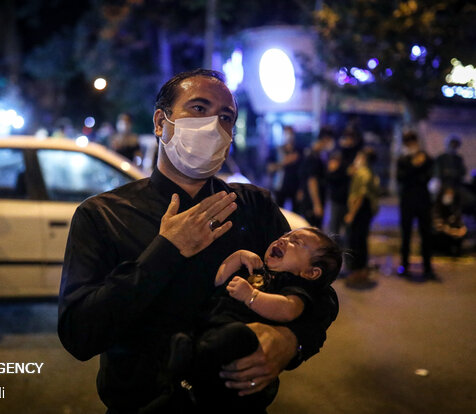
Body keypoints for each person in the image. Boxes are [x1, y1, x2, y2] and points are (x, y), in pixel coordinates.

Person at [58, 69, 339, 413]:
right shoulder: (102, 215)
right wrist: (165, 252)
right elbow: (78, 335)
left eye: (225, 117)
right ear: (161, 122)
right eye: (199, 109)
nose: (213, 125)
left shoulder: (253, 207)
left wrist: (292, 340)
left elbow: (319, 294)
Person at [165, 227, 342, 412]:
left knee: (236, 335)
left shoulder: (294, 286)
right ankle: (188, 361)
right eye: (284, 236)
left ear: (311, 273)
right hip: (210, 324)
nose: (283, 240)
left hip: (241, 340)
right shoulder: (256, 268)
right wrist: (238, 257)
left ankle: (190, 360)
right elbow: (219, 279)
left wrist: (251, 297)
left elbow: (288, 309)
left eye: (296, 242)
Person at [396, 131, 436, 280]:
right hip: (407, 202)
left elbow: (429, 176)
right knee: (405, 235)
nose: (411, 145)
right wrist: (414, 167)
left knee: (426, 234)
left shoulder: (426, 158)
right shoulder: (403, 159)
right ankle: (404, 266)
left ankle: (428, 268)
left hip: (423, 201)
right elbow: (400, 178)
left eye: (412, 141)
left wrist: (418, 167)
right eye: (408, 142)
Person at [344, 147, 380, 288]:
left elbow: (360, 195)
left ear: (364, 158)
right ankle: (360, 270)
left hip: (361, 211)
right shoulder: (367, 172)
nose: (356, 158)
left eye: (359, 156)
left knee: (356, 241)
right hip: (365, 211)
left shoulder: (363, 173)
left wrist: (351, 214)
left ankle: (358, 271)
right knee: (360, 240)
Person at [297, 131, 334, 228]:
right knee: (313, 231)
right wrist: (317, 204)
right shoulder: (314, 158)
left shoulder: (311, 155)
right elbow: (312, 182)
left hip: (308, 199)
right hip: (312, 201)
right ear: (325, 140)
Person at [266, 126, 301, 211]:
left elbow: (303, 172)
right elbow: (269, 168)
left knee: (295, 214)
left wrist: (301, 189)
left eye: (290, 133)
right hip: (280, 187)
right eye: (286, 133)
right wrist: (284, 162)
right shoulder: (276, 150)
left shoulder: (298, 150)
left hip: (295, 188)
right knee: (279, 212)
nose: (289, 136)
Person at [432, 186, 467, 256]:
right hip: (442, 233)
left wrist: (460, 231)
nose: (449, 196)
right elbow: (438, 225)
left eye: (451, 194)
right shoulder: (437, 207)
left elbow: (459, 222)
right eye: (447, 194)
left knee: (459, 237)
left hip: (453, 232)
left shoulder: (454, 208)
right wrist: (449, 230)